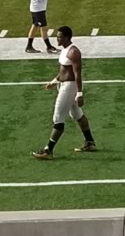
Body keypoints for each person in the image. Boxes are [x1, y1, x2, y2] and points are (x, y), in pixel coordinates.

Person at [33, 26, 96, 159]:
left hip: (69, 87)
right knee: (77, 114)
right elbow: (63, 71)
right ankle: (90, 142)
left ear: (67, 37)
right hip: (63, 85)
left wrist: (79, 93)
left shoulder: (74, 52)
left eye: (60, 36)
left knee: (58, 117)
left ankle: (48, 150)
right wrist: (54, 81)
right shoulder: (65, 50)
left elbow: (77, 74)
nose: (57, 38)